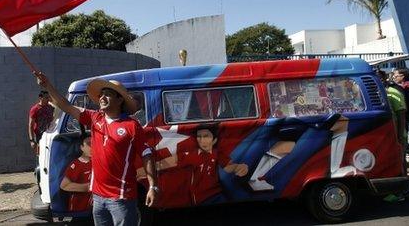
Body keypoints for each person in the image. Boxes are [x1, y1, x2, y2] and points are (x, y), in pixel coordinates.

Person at [34, 72, 158, 226]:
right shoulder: (95, 118)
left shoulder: (132, 126)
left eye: (108, 94)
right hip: (98, 198)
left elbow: (147, 155)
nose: (102, 97)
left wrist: (153, 186)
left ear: (120, 100)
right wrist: (47, 86)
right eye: (101, 94)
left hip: (121, 198)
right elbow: (66, 105)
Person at [154, 124, 248, 204]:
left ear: (214, 140)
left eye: (206, 136)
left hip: (216, 195)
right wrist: (147, 169)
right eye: (199, 136)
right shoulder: (192, 155)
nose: (202, 140)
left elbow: (228, 167)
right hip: (200, 198)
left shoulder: (217, 153)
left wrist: (239, 167)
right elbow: (171, 162)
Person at [61, 136, 92, 212]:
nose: (92, 147)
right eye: (89, 144)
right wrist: (89, 187)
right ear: (81, 147)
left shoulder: (97, 162)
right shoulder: (76, 165)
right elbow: (64, 186)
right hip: (80, 209)